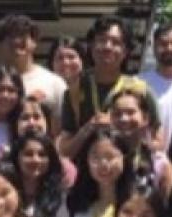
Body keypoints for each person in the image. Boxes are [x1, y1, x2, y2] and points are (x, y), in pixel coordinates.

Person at [61, 16, 152, 145]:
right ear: (91, 46)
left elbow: (156, 142)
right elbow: (64, 150)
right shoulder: (74, 90)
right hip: (84, 165)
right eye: (102, 40)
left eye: (116, 42)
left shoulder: (140, 90)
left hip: (128, 165)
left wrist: (119, 127)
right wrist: (88, 128)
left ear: (126, 51)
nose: (107, 47)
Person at [0, 14, 69, 115]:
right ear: (1, 43)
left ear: (34, 42)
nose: (16, 40)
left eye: (22, 35)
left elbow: (62, 127)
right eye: (11, 36)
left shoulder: (55, 84)